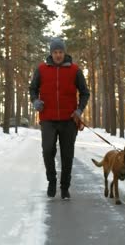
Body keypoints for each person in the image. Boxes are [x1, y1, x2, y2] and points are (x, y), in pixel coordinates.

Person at [29, 37, 90, 199]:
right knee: (48, 150)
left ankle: (64, 188)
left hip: (69, 120)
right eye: (55, 52)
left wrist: (79, 110)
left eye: (60, 52)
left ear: (64, 52)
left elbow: (85, 93)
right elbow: (32, 89)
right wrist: (35, 101)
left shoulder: (75, 70)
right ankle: (52, 181)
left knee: (67, 155)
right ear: (51, 53)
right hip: (48, 118)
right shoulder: (41, 69)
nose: (58, 55)